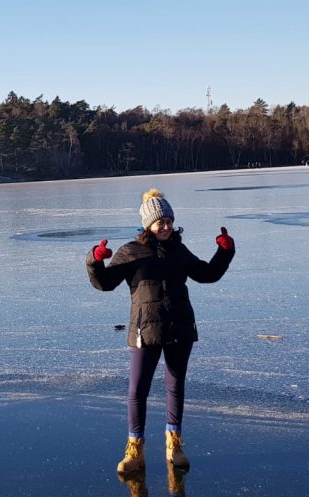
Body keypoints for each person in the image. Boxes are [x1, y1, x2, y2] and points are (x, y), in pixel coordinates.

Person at [86, 188, 235, 475]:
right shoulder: (130, 251)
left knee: (175, 386)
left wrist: (224, 251)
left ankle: (174, 445)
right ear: (147, 224)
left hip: (179, 326)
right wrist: (95, 259)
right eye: (159, 222)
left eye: (168, 220)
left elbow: (207, 274)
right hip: (145, 329)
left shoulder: (178, 250)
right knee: (137, 390)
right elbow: (104, 283)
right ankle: (135, 449)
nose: (165, 226)